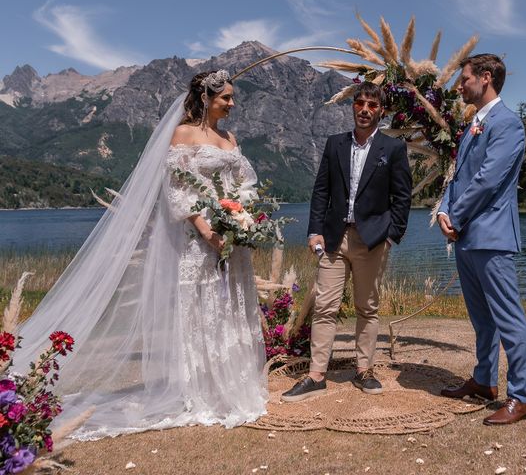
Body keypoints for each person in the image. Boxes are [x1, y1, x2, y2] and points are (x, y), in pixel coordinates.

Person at [13, 70, 268, 439]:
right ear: (205, 98)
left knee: (230, 304)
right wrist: (209, 232)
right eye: (226, 97)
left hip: (233, 235)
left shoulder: (231, 137)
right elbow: (180, 190)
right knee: (203, 306)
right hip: (199, 238)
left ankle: (234, 385)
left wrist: (243, 217)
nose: (232, 103)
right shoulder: (182, 134)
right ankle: (204, 391)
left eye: (232, 97)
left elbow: (245, 183)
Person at [281, 82, 412, 402]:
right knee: (324, 307)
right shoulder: (334, 144)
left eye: (372, 105)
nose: (365, 110)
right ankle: (316, 375)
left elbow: (403, 196)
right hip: (334, 238)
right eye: (360, 103)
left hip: (372, 241)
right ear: (353, 106)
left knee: (367, 307)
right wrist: (314, 230)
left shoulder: (393, 149)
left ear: (381, 111)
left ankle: (364, 370)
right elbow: (321, 192)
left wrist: (392, 235)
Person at [436, 54, 526, 425]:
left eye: (464, 79)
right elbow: (457, 177)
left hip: (492, 236)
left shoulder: (507, 124)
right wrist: (444, 209)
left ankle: (521, 397)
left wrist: (455, 215)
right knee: (481, 319)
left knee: (509, 320)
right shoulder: (471, 126)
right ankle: (484, 380)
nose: (459, 86)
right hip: (466, 238)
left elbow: (489, 180)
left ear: (486, 78)